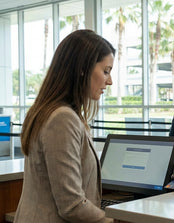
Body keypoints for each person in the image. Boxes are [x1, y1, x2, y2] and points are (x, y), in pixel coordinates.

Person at [14, 29, 115, 223]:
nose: (109, 81)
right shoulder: (62, 118)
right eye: (105, 71)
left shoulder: (51, 111)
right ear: (83, 69)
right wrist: (113, 221)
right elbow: (71, 205)